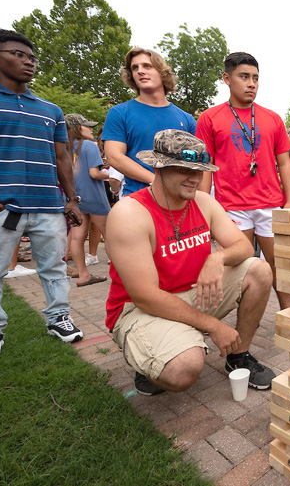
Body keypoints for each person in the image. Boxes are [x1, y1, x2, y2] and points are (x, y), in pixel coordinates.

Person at [105, 129, 275, 395]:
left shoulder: (203, 202)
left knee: (259, 271)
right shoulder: (129, 213)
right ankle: (150, 359)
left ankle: (238, 356)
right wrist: (213, 326)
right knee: (184, 367)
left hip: (192, 293)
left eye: (199, 170)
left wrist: (217, 257)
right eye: (185, 170)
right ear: (159, 167)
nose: (195, 179)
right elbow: (145, 296)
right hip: (140, 309)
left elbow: (242, 246)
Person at [0, 28, 84, 364]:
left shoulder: (50, 109)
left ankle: (58, 317)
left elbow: (62, 157)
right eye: (18, 55)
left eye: (31, 57)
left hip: (48, 205)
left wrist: (71, 199)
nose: (28, 62)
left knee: (54, 267)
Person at [195, 52, 290, 310]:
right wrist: (204, 208)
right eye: (244, 77)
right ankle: (228, 316)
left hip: (270, 204)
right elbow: (205, 167)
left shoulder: (272, 118)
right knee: (241, 267)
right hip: (231, 206)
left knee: (279, 266)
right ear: (227, 79)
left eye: (256, 78)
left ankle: (289, 314)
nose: (252, 83)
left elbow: (284, 162)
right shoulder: (209, 118)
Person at [102, 47, 197, 197]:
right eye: (135, 68)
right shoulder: (119, 113)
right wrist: (156, 181)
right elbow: (114, 156)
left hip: (179, 200)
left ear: (162, 72)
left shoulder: (186, 118)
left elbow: (194, 161)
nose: (140, 71)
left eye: (147, 66)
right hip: (137, 199)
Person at [65, 114, 110, 287]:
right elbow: (94, 173)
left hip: (74, 198)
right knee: (109, 234)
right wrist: (111, 174)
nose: (90, 129)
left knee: (77, 237)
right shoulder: (89, 146)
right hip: (94, 196)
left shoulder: (64, 147)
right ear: (77, 128)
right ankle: (121, 274)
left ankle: (83, 274)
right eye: (87, 126)